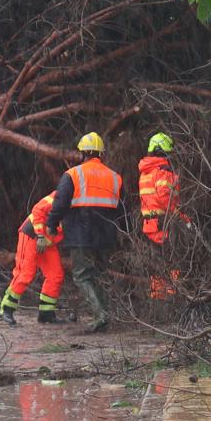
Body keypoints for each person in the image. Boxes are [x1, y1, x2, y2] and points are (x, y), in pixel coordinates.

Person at [43, 132, 127, 333]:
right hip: (106, 235)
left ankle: (101, 316)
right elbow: (124, 208)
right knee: (99, 274)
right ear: (101, 154)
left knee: (82, 276)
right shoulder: (115, 177)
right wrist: (125, 233)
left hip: (81, 233)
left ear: (82, 153)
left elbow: (60, 203)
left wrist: (51, 224)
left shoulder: (73, 174)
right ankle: (104, 315)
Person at [0, 190, 64, 326]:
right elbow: (38, 209)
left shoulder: (82, 207)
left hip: (48, 241)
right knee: (25, 273)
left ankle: (46, 314)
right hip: (32, 234)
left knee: (55, 275)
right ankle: (6, 309)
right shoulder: (62, 195)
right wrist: (40, 235)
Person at [138, 132, 189, 299]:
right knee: (174, 261)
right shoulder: (163, 172)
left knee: (157, 264)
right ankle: (174, 297)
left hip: (149, 224)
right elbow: (166, 200)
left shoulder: (145, 172)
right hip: (164, 223)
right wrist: (183, 217)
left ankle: (159, 299)